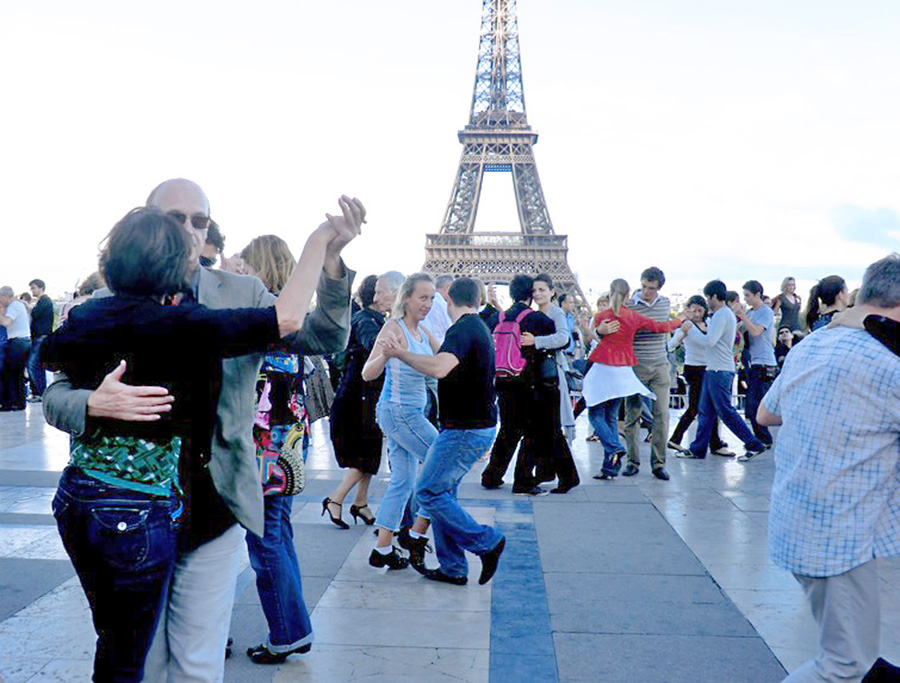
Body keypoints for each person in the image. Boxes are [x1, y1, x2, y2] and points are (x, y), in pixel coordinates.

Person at [43, 178, 362, 681]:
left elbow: (319, 335)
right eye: (175, 219)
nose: (190, 231)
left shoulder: (237, 290)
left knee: (196, 659)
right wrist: (93, 402)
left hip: (213, 503)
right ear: (145, 224)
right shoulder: (107, 302)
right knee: (140, 657)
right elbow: (54, 395)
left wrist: (330, 261)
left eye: (200, 221)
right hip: (133, 508)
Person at [758, 254, 899, 682]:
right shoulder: (890, 363)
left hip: (800, 522)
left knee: (864, 658)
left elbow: (767, 414)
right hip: (844, 537)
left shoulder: (814, 343)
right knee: (844, 665)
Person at [382, 278, 505, 586]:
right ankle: (453, 567)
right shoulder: (477, 328)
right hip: (475, 427)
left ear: (447, 297)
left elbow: (438, 367)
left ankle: (486, 541)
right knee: (442, 492)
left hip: (464, 430)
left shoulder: (463, 329)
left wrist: (401, 355)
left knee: (428, 491)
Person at [237, 234, 323, 664]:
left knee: (266, 538)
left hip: (264, 444)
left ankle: (287, 632)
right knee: (279, 533)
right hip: (290, 441)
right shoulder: (293, 317)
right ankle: (294, 627)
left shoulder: (262, 318)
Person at [361, 273, 438, 572]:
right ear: (406, 298)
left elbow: (443, 356)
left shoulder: (423, 330)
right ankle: (415, 533)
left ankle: (382, 549)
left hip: (410, 412)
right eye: (423, 297)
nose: (428, 304)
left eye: (432, 298)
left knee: (403, 481)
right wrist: (387, 354)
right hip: (398, 412)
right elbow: (368, 372)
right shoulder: (392, 327)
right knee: (440, 460)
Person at [582, 279, 683, 480]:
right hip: (624, 370)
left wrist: (591, 329)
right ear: (628, 296)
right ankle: (609, 468)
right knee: (611, 416)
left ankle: (615, 447)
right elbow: (661, 327)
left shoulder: (601, 316)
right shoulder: (634, 317)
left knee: (595, 414)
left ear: (610, 294)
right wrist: (680, 320)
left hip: (603, 367)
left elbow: (589, 342)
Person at [326, 270, 404, 527]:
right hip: (357, 396)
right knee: (364, 454)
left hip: (363, 395)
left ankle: (360, 502)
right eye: (380, 292)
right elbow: (376, 345)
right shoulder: (367, 321)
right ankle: (336, 499)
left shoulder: (372, 318)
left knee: (370, 451)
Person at [480, 274, 558, 496]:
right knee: (532, 431)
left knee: (507, 430)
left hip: (503, 380)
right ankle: (523, 480)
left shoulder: (499, 317)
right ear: (530, 294)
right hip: (529, 382)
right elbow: (561, 338)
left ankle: (492, 475)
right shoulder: (537, 320)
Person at [677, 280, 767, 463]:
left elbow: (709, 341)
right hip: (714, 368)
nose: (707, 302)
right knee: (706, 411)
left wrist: (690, 331)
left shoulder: (721, 315)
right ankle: (698, 448)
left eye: (708, 298)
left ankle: (753, 444)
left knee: (725, 410)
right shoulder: (723, 315)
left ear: (714, 296)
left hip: (719, 369)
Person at [522, 274, 580, 491]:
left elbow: (564, 338)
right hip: (539, 376)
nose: (537, 294)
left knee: (552, 428)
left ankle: (568, 476)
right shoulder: (538, 313)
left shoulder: (556, 313)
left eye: (542, 290)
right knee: (544, 428)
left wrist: (535, 341)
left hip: (551, 377)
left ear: (552, 291)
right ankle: (546, 471)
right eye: (534, 291)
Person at [622, 267, 675, 480]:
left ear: (658, 288)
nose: (646, 292)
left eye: (651, 288)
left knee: (662, 415)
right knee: (632, 415)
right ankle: (632, 461)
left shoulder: (665, 304)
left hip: (660, 365)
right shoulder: (630, 305)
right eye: (643, 286)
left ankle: (659, 463)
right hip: (636, 365)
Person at [666, 295, 732, 456]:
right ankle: (677, 438)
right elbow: (671, 346)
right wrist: (683, 333)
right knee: (696, 406)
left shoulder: (711, 323)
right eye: (693, 310)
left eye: (699, 310)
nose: (696, 314)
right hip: (694, 369)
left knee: (711, 406)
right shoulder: (686, 326)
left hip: (710, 367)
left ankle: (714, 442)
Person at [730, 280, 777, 449]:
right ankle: (761, 438)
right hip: (753, 362)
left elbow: (756, 331)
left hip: (764, 363)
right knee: (751, 406)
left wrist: (742, 316)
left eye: (748, 295)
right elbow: (739, 329)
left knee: (756, 404)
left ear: (757, 294)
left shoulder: (765, 312)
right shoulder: (750, 313)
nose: (746, 299)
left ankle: (764, 439)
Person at [0, 286, 31, 411]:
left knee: (12, 373)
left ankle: (12, 403)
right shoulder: (19, 305)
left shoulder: (14, 306)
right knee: (17, 374)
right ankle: (18, 402)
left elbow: (6, 322)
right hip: (23, 342)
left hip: (17, 342)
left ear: (6, 296)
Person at [26, 278, 54, 402]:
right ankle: (39, 392)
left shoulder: (44, 301)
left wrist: (28, 307)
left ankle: (40, 392)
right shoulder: (43, 301)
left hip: (41, 337)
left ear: (41, 287)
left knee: (32, 363)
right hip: (40, 337)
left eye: (33, 288)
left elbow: (35, 315)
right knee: (37, 364)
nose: (32, 290)